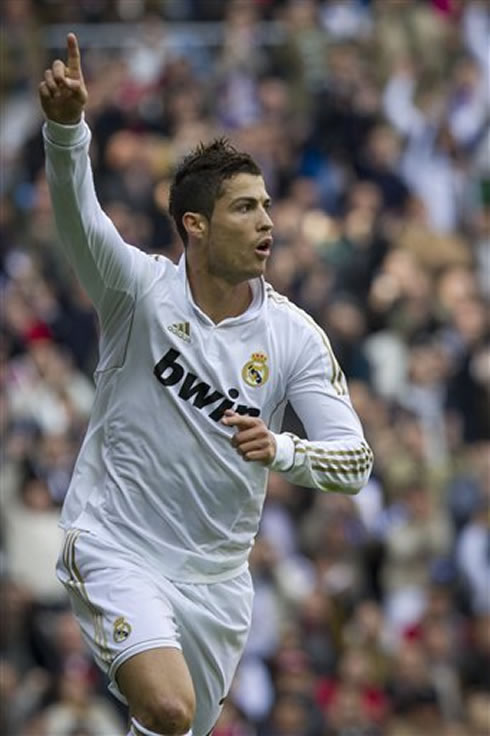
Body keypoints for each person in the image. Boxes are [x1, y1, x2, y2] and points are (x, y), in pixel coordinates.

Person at [38, 34, 373, 736]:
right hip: (117, 544)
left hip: (218, 584)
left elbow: (355, 461)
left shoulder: (293, 337)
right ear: (195, 224)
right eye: (245, 208)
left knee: (171, 728)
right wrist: (67, 130)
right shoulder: (137, 293)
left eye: (267, 205)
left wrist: (281, 449)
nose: (268, 222)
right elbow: (79, 220)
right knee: (168, 706)